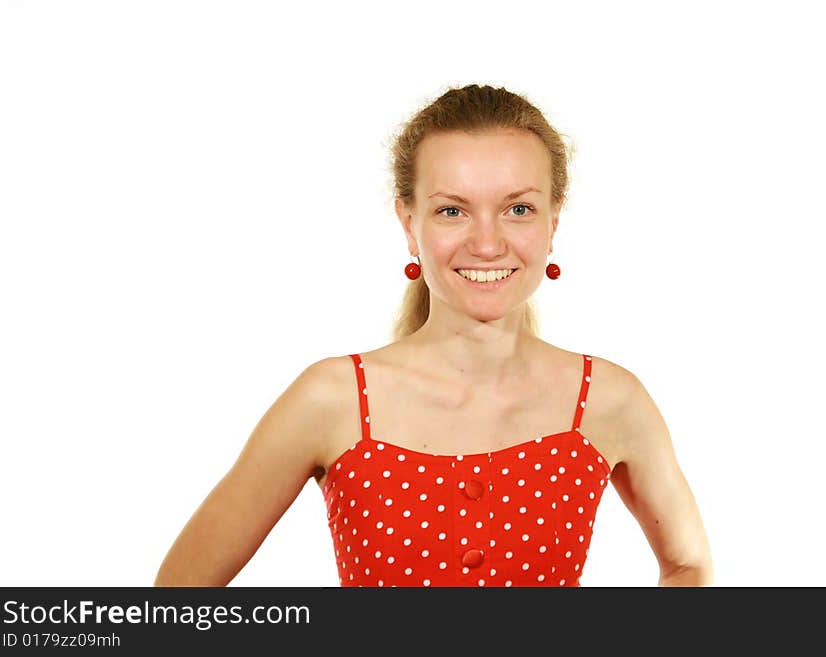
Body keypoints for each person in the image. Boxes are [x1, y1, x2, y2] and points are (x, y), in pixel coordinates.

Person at [153, 83, 713, 588]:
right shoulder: (332, 398)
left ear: (553, 222)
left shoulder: (611, 400)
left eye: (518, 208)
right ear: (408, 224)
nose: (488, 244)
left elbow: (689, 564)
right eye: (452, 211)